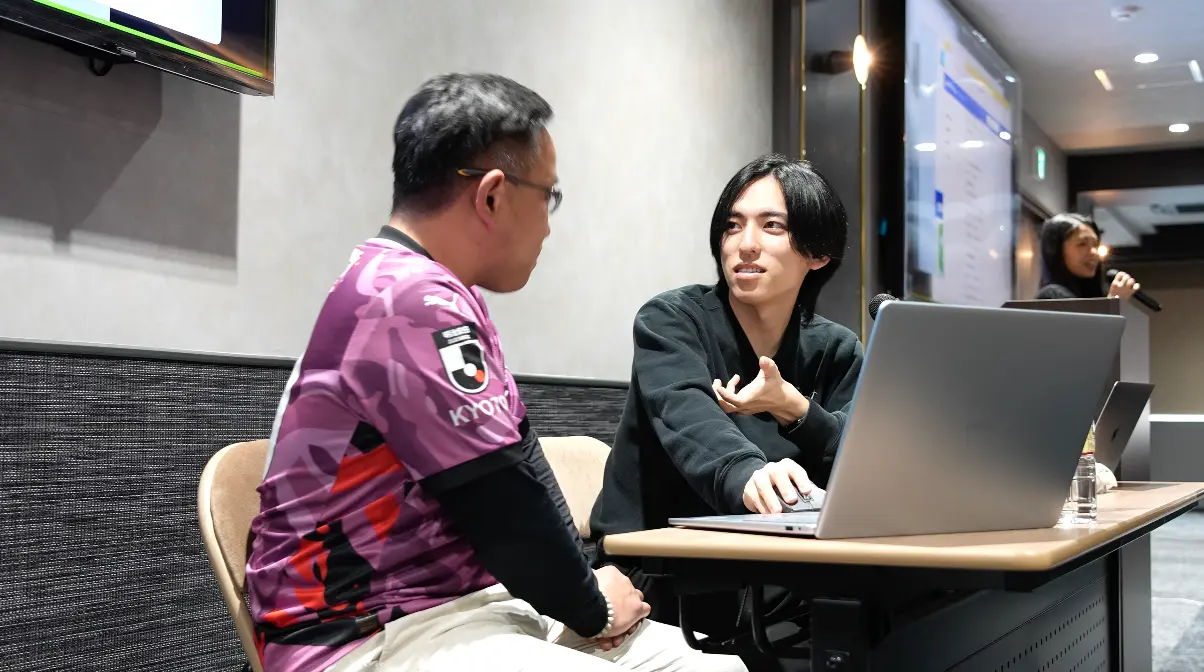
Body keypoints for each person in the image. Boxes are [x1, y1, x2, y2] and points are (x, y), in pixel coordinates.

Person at [245, 73, 744, 672]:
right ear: (492, 196)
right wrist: (593, 609)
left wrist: (586, 592)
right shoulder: (406, 300)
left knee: (717, 666)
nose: (549, 224)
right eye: (548, 196)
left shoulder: (445, 295)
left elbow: (522, 462)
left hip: (468, 609)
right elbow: (501, 503)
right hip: (367, 637)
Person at [590, 155, 863, 669]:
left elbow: (861, 463)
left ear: (818, 253)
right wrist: (749, 474)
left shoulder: (836, 349)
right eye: (733, 226)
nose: (745, 244)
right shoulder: (671, 321)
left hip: (785, 580)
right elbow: (688, 419)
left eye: (772, 226)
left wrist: (795, 408)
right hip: (660, 580)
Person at [1035, 213, 1140, 301]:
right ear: (1056, 250)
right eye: (1082, 244)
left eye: (1095, 245)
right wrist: (1113, 301)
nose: (1094, 252)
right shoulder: (1051, 296)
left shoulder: (1091, 294)